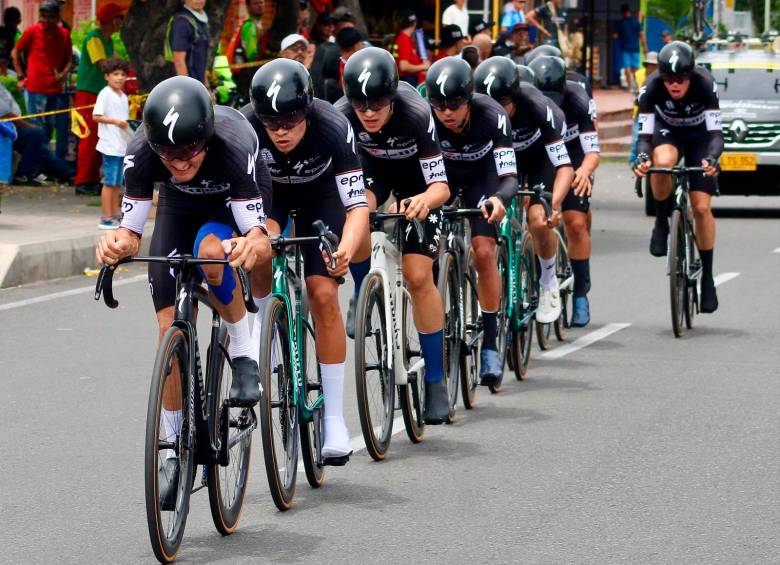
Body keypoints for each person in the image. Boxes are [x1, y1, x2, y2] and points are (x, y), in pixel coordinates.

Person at [95, 76, 272, 507]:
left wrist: (250, 244)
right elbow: (132, 233)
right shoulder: (142, 152)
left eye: (189, 150)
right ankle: (172, 449)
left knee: (211, 253)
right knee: (167, 326)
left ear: (206, 138)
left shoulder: (233, 146)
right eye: (168, 153)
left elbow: (259, 237)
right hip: (178, 206)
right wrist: (116, 244)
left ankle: (245, 348)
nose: (178, 161)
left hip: (230, 201)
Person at [241, 59, 369, 461]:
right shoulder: (247, 127)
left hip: (322, 199)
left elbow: (357, 205)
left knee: (323, 293)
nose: (280, 132)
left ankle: (334, 417)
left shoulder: (333, 125)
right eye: (271, 123)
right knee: (262, 246)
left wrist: (346, 246)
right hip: (271, 198)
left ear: (308, 110)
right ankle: (264, 316)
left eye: (290, 122)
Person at [336, 47, 451, 424]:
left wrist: (422, 200)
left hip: (417, 181)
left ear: (392, 96)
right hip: (373, 172)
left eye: (377, 105)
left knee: (419, 276)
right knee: (357, 212)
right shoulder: (341, 117)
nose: (368, 113)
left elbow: (441, 187)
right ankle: (361, 288)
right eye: (360, 105)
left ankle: (434, 380)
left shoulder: (417, 113)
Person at [425, 56, 518, 384]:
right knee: (425, 252)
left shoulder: (492, 115)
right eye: (438, 104)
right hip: (444, 180)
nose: (446, 112)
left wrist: (499, 199)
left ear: (468, 99)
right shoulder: (427, 119)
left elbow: (509, 176)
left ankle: (491, 340)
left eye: (454, 104)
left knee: (482, 250)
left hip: (484, 178)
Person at [475, 56, 574, 324]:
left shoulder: (538, 106)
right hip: (503, 160)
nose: (495, 111)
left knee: (538, 220)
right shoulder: (478, 111)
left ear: (515, 99)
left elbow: (564, 166)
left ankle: (548, 279)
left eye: (503, 105)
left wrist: (555, 203)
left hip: (539, 157)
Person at [633, 41, 723, 313]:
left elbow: (717, 134)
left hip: (700, 137)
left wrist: (712, 158)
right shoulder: (650, 88)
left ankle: (707, 277)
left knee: (701, 207)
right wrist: (642, 158)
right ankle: (662, 221)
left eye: (680, 79)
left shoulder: (706, 84)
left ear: (691, 75)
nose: (674, 85)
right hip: (666, 132)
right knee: (660, 164)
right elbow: (644, 137)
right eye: (669, 79)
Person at [529, 55, 600, 326]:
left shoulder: (577, 99)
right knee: (535, 216)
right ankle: (539, 276)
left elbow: (593, 149)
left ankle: (581, 292)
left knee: (575, 221)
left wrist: (584, 170)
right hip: (545, 158)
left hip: (575, 156)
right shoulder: (531, 103)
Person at [74, 2, 125, 197]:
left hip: (100, 94)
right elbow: (104, 65)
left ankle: (92, 179)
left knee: (100, 137)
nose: (122, 22)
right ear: (113, 20)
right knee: (88, 138)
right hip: (88, 94)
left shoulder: (108, 40)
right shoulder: (94, 39)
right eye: (120, 18)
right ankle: (83, 180)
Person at [11, 1, 71, 163]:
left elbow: (69, 59)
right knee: (38, 129)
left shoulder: (64, 34)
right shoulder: (32, 31)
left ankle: (54, 165)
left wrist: (64, 73)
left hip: (56, 90)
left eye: (51, 17)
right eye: (43, 16)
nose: (46, 20)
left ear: (58, 17)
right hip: (35, 89)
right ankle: (40, 166)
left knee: (55, 128)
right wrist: (20, 76)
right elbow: (15, 52)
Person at [0, 81, 70, 185]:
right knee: (35, 134)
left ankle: (66, 174)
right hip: (5, 130)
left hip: (9, 127)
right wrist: (27, 125)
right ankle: (23, 174)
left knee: (38, 147)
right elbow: (5, 114)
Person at [92, 57, 132, 230]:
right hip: (109, 146)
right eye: (115, 74)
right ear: (107, 76)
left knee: (117, 183)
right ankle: (106, 216)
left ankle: (115, 213)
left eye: (123, 74)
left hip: (121, 146)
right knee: (109, 182)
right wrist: (115, 121)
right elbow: (96, 116)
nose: (119, 78)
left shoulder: (123, 96)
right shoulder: (105, 94)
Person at [227, 0, 266, 100]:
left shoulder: (256, 25)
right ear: (248, 7)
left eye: (261, 2)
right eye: (255, 3)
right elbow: (252, 54)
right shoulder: (250, 26)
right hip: (248, 74)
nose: (259, 6)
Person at [169, 0, 210, 86]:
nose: (199, 1)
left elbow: (202, 58)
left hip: (199, 84)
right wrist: (187, 89)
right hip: (188, 86)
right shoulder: (181, 23)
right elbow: (179, 61)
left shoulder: (200, 22)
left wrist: (207, 87)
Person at [629, 51, 657, 164]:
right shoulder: (638, 75)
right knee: (636, 137)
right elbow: (634, 91)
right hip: (640, 110)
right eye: (650, 64)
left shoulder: (660, 76)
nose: (652, 67)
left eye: (654, 65)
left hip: (656, 111)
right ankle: (633, 161)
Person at [614, 4, 646, 93]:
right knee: (635, 68)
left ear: (622, 13)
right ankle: (637, 85)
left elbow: (615, 36)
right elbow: (642, 35)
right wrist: (644, 47)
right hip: (635, 48)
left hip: (625, 48)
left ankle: (630, 87)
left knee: (627, 68)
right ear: (629, 12)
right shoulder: (636, 22)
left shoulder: (621, 23)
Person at [392, 9, 430, 87]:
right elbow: (404, 66)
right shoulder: (404, 39)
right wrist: (423, 66)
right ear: (414, 24)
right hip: (408, 81)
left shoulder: (403, 38)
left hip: (407, 81)